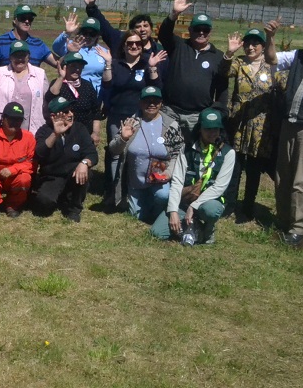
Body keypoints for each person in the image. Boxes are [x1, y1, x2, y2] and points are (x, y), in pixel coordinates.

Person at [218, 26, 279, 222]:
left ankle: (248, 207)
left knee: (253, 170)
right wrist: (229, 53)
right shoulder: (239, 63)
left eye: (256, 43)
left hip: (261, 129)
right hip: (238, 125)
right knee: (234, 167)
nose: (251, 47)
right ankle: (229, 204)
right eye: (248, 43)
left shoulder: (272, 67)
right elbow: (223, 73)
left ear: (263, 46)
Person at [150, 108, 235, 245]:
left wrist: (194, 206)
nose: (212, 133)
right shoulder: (187, 149)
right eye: (208, 129)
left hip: (208, 202)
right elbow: (177, 182)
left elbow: (220, 187)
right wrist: (173, 212)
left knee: (211, 211)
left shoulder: (228, 153)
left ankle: (208, 229)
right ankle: (194, 227)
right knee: (157, 232)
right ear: (200, 128)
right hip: (185, 200)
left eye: (216, 129)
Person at [101, 29, 166, 205]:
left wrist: (152, 67)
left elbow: (157, 86)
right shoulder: (115, 63)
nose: (134, 46)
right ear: (124, 46)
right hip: (116, 116)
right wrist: (108, 63)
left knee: (134, 155)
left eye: (137, 43)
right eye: (130, 43)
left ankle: (130, 193)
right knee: (115, 154)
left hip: (139, 117)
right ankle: (113, 195)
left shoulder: (146, 63)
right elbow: (107, 84)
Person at [158, 0, 228, 145]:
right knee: (164, 151)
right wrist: (174, 14)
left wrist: (219, 111)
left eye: (205, 29)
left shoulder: (218, 56)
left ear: (210, 32)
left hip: (197, 115)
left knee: (193, 152)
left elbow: (222, 88)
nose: (201, 32)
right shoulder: (178, 45)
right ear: (190, 30)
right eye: (197, 29)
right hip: (171, 111)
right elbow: (163, 34)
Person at [108, 86, 184, 223]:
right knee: (138, 217)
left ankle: (159, 211)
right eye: (147, 101)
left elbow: (177, 153)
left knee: (163, 196)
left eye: (156, 101)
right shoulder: (131, 122)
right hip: (136, 182)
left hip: (160, 180)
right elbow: (113, 150)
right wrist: (123, 138)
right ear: (140, 102)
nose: (152, 104)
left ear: (161, 103)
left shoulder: (171, 125)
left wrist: (168, 172)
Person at [271, 20, 303, 246]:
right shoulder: (300, 56)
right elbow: (272, 59)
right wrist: (270, 38)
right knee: (283, 174)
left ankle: (300, 228)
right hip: (289, 121)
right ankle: (284, 219)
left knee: (302, 178)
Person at [31, 96, 98, 222]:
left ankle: (74, 208)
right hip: (52, 176)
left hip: (73, 174)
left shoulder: (79, 128)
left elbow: (92, 154)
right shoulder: (44, 131)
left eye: (71, 110)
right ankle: (60, 196)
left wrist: (84, 163)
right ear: (53, 116)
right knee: (44, 204)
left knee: (86, 171)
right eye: (66, 112)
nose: (71, 114)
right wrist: (55, 134)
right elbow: (39, 153)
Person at [0, 40, 49, 136]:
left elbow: (48, 99)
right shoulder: (1, 72)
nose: (19, 59)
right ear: (10, 57)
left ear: (28, 56)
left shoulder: (40, 74)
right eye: (16, 55)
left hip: (32, 131)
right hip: (4, 130)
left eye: (23, 55)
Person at [47, 51, 103, 146]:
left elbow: (96, 112)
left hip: (84, 133)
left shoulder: (87, 86)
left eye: (80, 66)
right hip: (62, 133)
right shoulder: (58, 84)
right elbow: (50, 97)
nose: (77, 69)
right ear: (64, 67)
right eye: (73, 66)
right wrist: (61, 77)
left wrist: (95, 133)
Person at [50, 13, 109, 93]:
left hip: (94, 96)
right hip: (72, 92)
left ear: (98, 35)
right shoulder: (72, 45)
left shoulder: (103, 52)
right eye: (85, 32)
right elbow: (56, 47)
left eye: (92, 33)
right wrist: (67, 33)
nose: (88, 36)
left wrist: (109, 61)